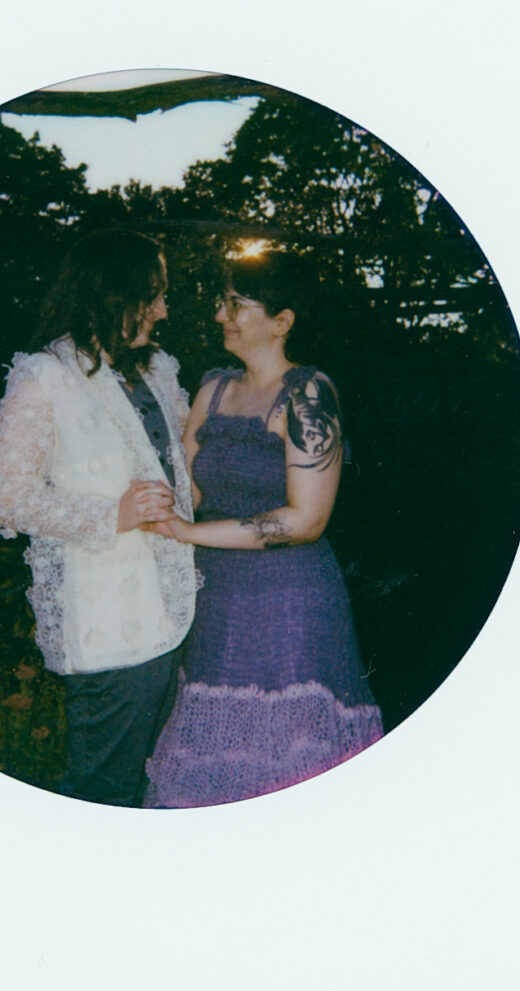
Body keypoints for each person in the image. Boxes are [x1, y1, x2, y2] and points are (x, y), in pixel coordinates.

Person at [142, 250, 383, 808]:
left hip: (288, 606)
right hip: (216, 602)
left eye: (236, 304)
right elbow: (189, 494)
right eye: (222, 303)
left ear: (282, 320)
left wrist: (185, 531)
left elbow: (306, 520)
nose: (221, 315)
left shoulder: (308, 394)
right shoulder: (214, 390)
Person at [0, 229, 196, 807]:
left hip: (181, 615)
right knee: (102, 794)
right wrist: (113, 514)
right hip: (111, 627)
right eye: (152, 294)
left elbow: (184, 465)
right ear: (110, 293)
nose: (164, 309)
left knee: (160, 784)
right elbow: (3, 496)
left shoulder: (160, 371)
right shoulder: (43, 376)